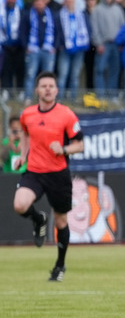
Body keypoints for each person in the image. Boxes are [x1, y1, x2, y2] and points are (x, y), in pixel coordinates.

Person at [11, 71, 85, 281]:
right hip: (34, 171)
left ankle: (60, 266)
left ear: (57, 90)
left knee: (61, 221)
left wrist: (63, 149)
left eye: (51, 86)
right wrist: (23, 156)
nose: (48, 89)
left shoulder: (66, 115)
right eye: (43, 86)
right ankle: (38, 219)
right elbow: (26, 134)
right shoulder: (28, 114)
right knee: (19, 205)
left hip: (58, 174)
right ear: (37, 90)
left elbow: (80, 144)